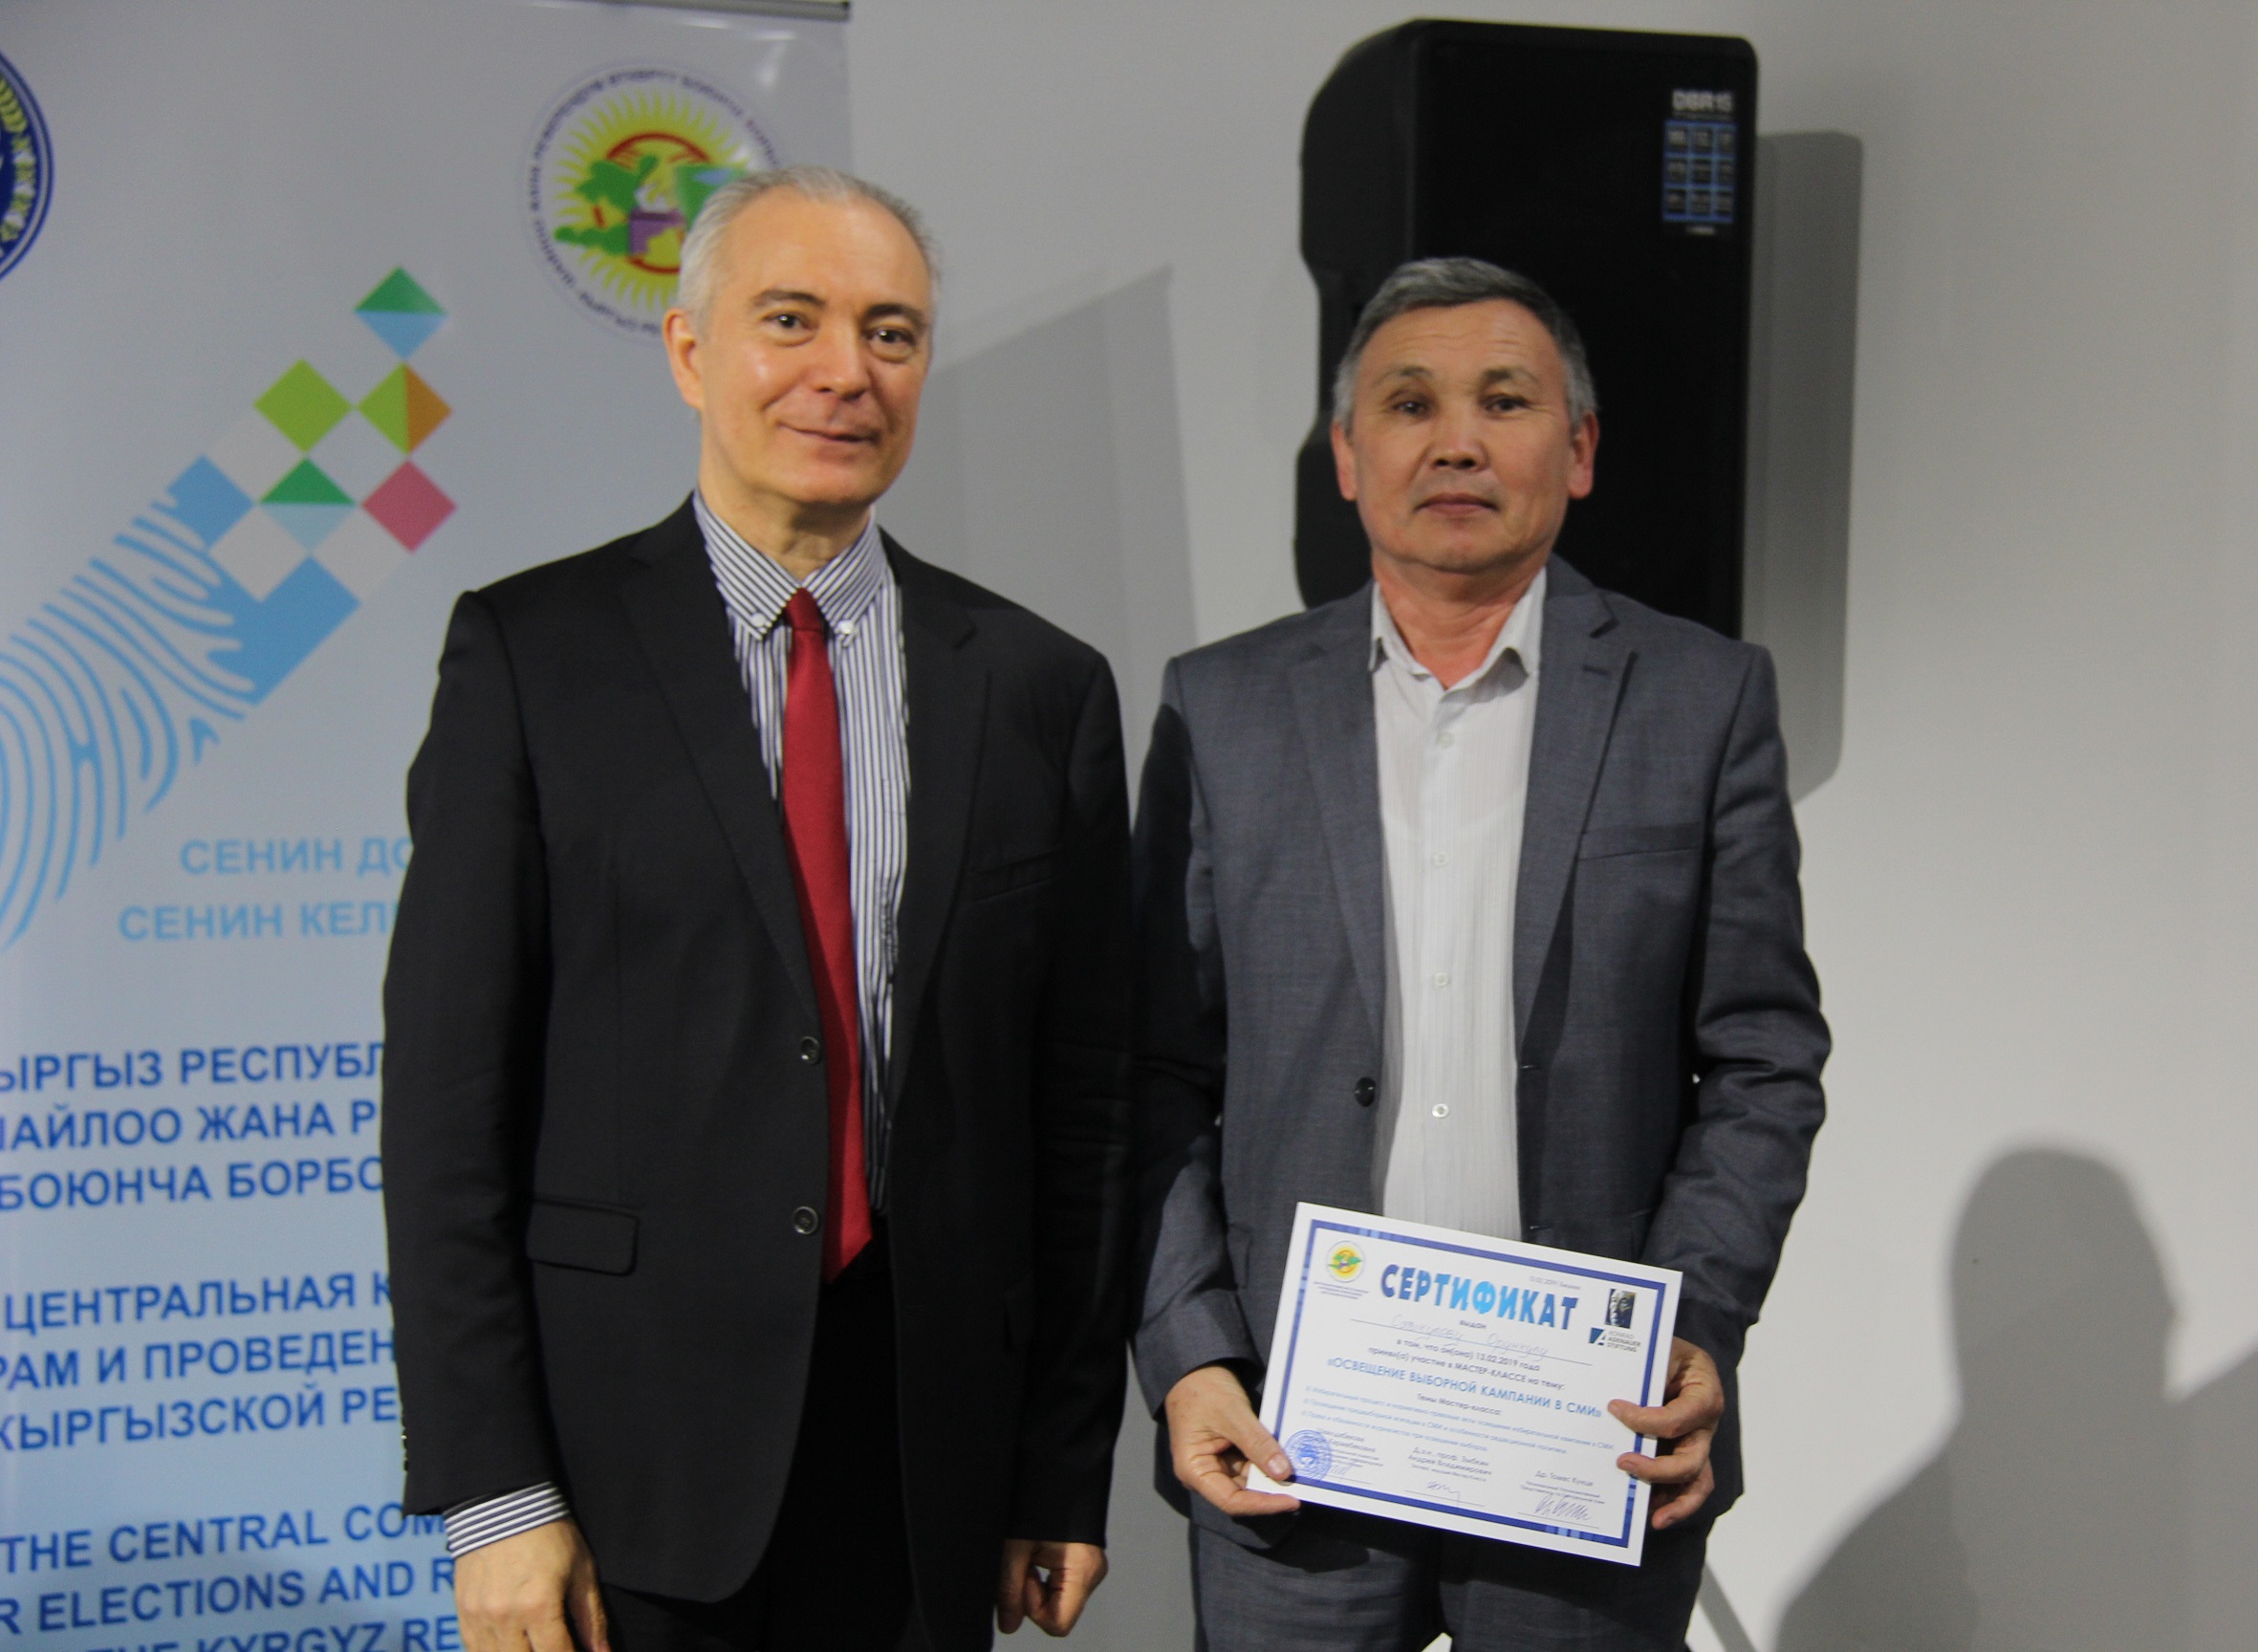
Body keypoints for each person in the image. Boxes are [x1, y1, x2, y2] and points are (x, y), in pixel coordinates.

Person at [381, 166, 1130, 1652]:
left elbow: (1084, 1117)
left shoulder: (1039, 686)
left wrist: (1059, 1464)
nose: (846, 371)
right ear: (689, 350)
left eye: (892, 332)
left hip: (926, 1471)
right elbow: (449, 1106)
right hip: (626, 1475)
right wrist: (497, 1495)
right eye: (792, 320)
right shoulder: (533, 658)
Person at [1130, 257, 1828, 1650]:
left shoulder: (1702, 700)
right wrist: (1191, 1353)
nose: (1456, 441)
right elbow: (1148, 1074)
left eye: (1505, 401)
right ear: (1347, 457)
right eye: (1410, 404)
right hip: (1291, 1432)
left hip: (1590, 1436)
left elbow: (1762, 1060)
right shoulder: (1224, 709)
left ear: (1579, 451)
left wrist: (1695, 1324)